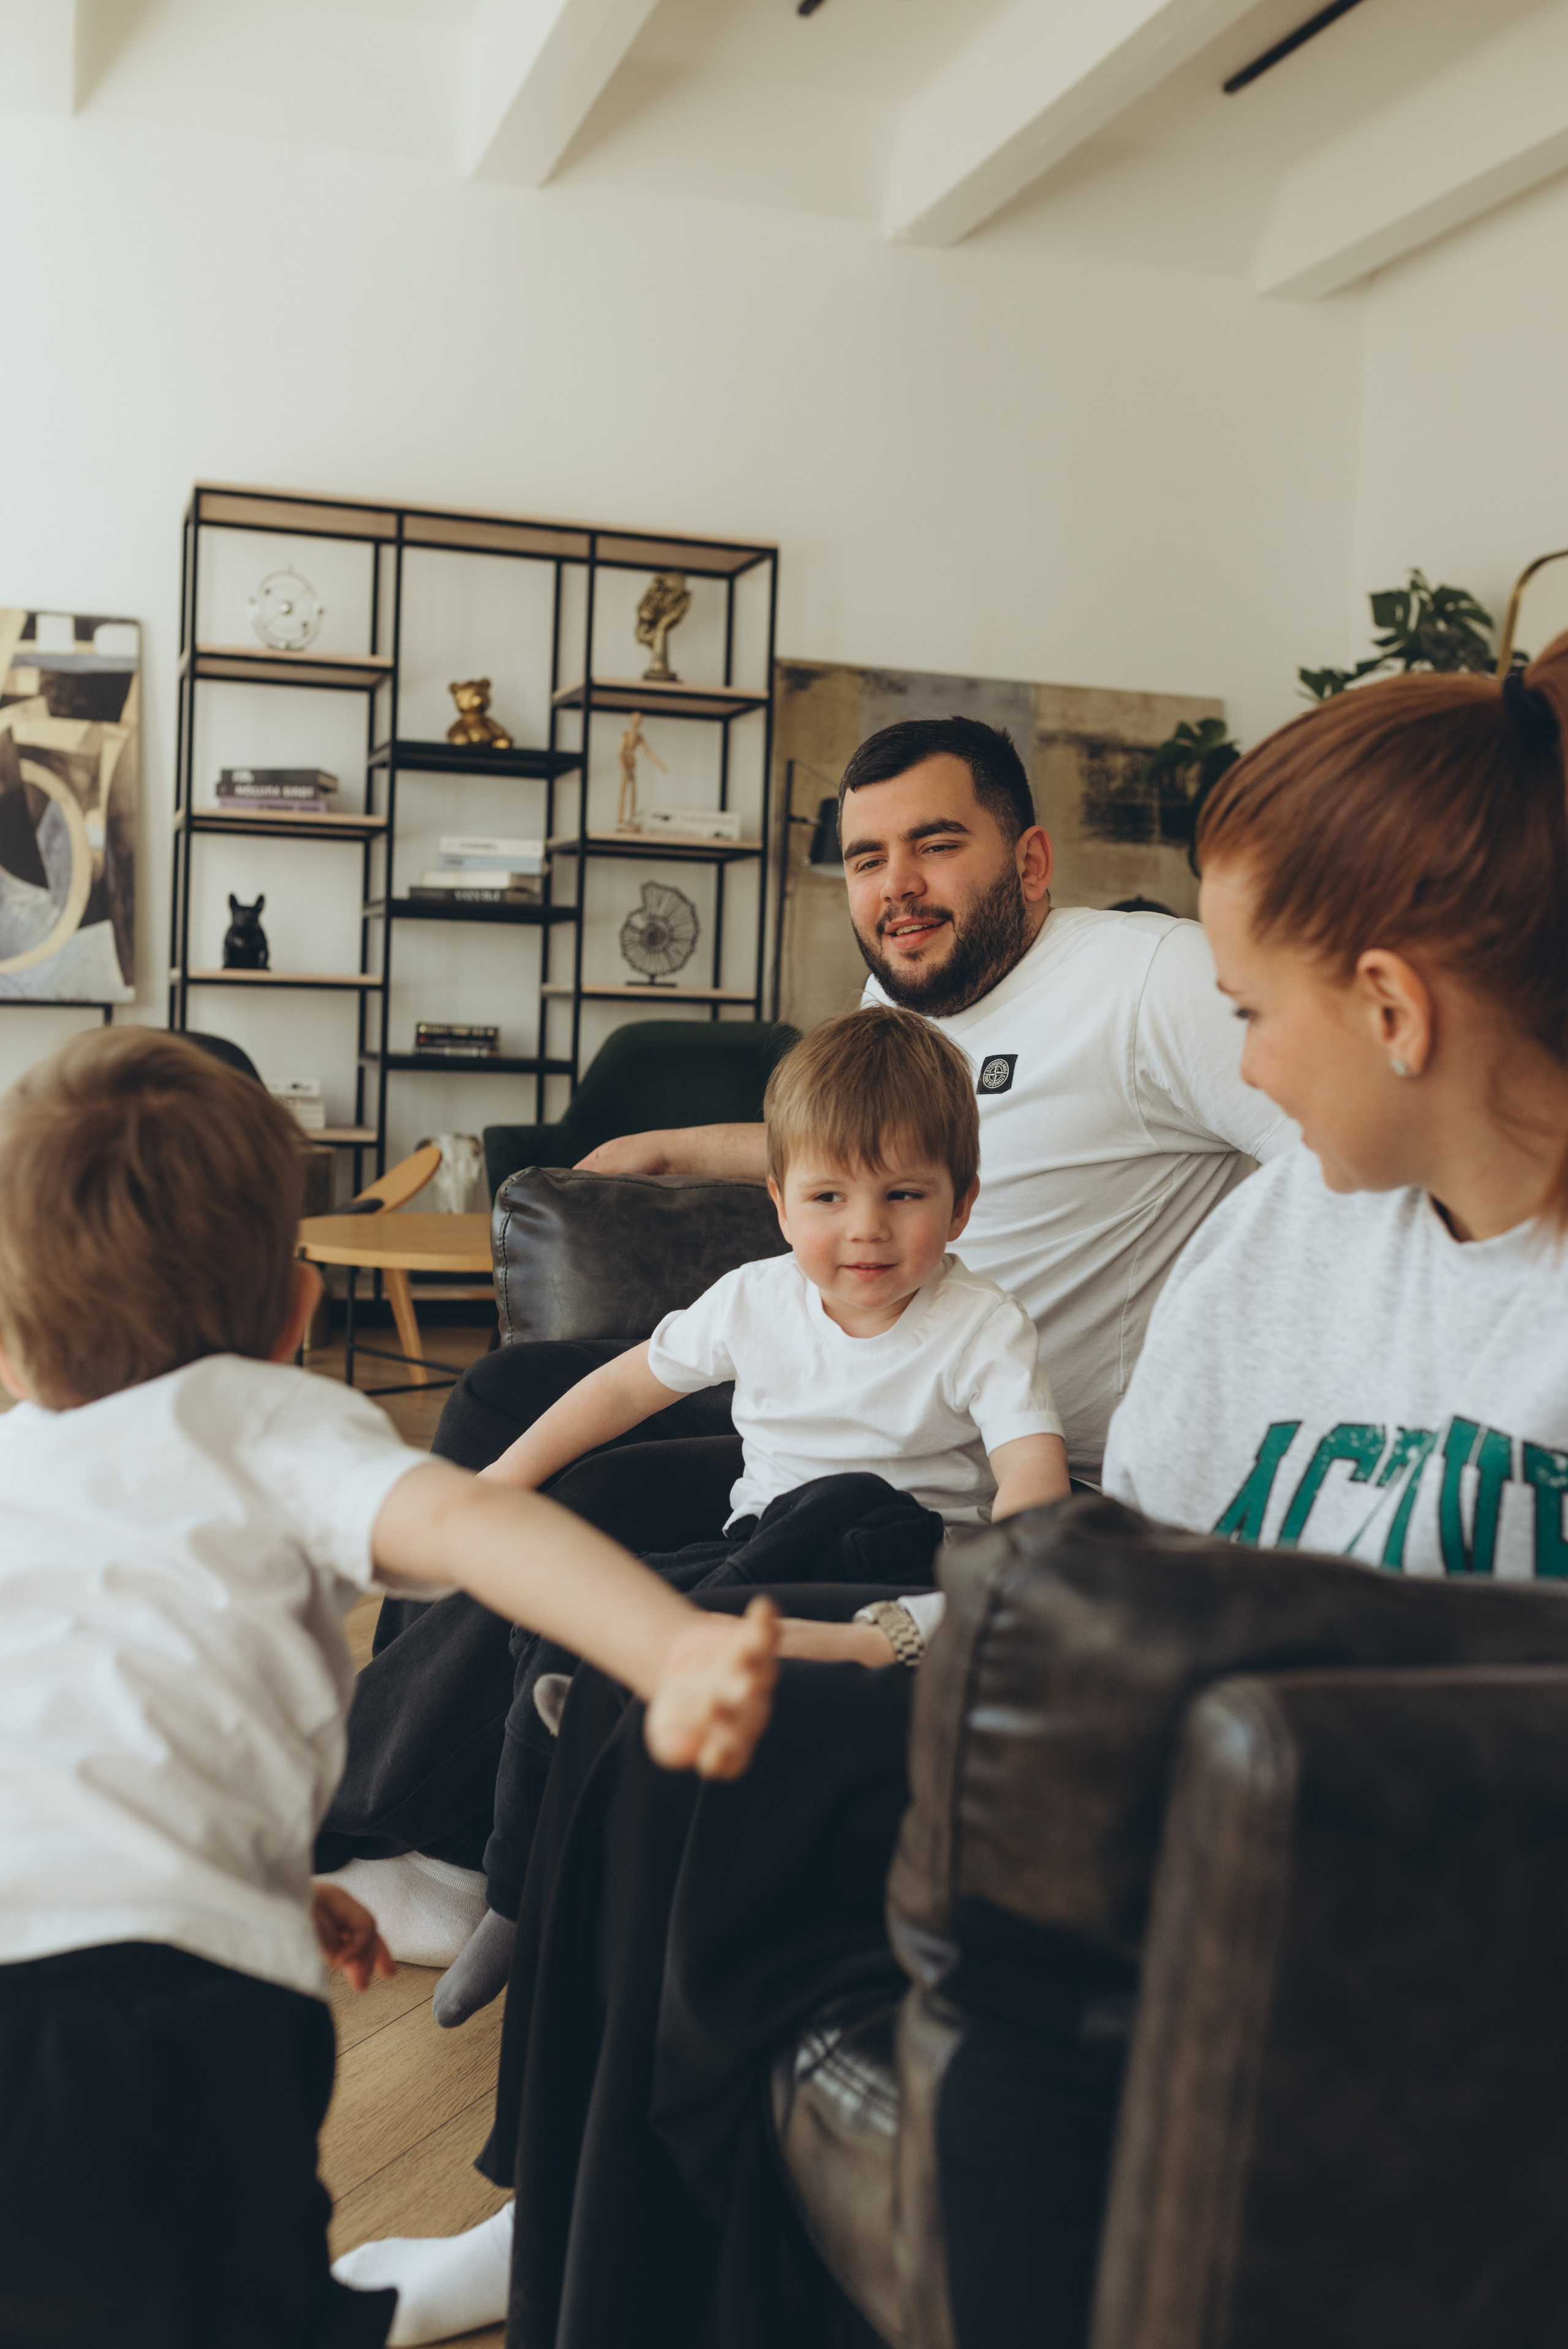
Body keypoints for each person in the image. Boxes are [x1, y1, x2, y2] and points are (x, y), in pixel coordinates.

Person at [349, 639, 1568, 2349]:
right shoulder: (1290, 1237)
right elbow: (1120, 1564)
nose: (1256, 1072)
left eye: (1255, 1017)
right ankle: (558, 2217)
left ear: (1394, 1006)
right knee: (688, 1714)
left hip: (1358, 1858)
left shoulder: (1142, 1004)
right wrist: (927, 1640)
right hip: (1132, 1739)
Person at [321, 712, 1290, 1937]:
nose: (898, 886)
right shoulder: (904, 991)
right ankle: (425, 1823)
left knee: (582, 1498)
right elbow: (853, 1143)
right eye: (869, 856)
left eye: (934, 845)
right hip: (842, 1375)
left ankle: (420, 1840)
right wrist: (686, 1143)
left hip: (970, 1451)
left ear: (1029, 861)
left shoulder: (1147, 980)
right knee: (507, 1398)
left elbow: (1322, 1149)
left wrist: (1217, 1370)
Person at [0, 1028, 780, 2349]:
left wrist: (275, 1881)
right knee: (235, 2300)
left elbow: (73, 1742)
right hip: (184, 2015)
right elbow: (478, 1529)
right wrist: (669, 1644)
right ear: (298, 1315)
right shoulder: (267, 1418)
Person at [427, 1002, 1068, 2024]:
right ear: (778, 1201)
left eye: (905, 1195)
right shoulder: (753, 1300)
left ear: (961, 1205)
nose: (866, 1228)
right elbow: (621, 1392)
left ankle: (658, 1667)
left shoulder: (982, 1326)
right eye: (829, 1196)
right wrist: (498, 1478)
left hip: (894, 1565)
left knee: (846, 1502)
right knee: (562, 1617)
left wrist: (1015, 1565)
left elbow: (1032, 1474)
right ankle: (514, 1899)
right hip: (758, 1548)